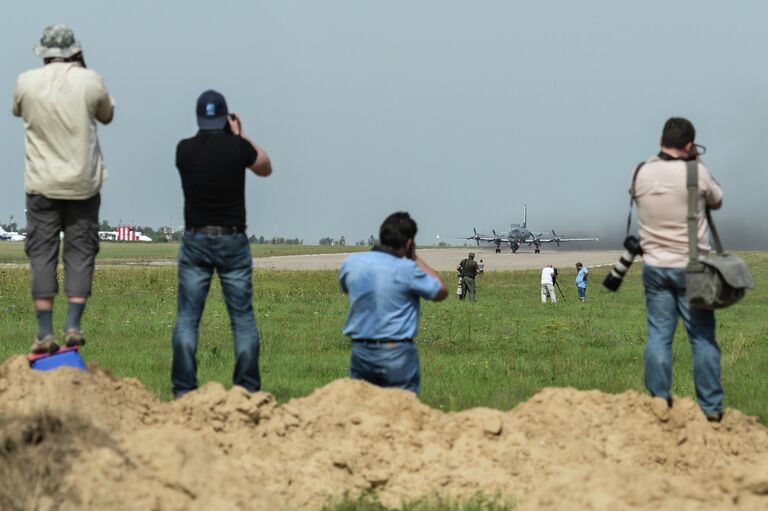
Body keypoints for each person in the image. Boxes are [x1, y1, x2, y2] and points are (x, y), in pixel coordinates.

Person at [12, 25, 115, 354]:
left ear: (43, 51)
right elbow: (108, 114)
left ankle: (44, 330)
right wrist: (83, 70)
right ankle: (72, 324)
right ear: (75, 50)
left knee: (41, 253)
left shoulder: (26, 82)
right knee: (80, 252)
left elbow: (17, 109)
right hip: (82, 184)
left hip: (42, 182)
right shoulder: (89, 80)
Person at [171, 90, 272, 398]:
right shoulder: (237, 147)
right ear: (226, 117)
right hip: (232, 237)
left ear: (199, 117)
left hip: (196, 237)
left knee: (188, 319)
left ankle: (184, 390)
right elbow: (265, 167)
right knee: (241, 318)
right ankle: (246, 389)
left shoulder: (184, 150)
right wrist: (241, 135)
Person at [633, 117, 724, 421]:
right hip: (692, 268)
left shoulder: (642, 172)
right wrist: (695, 161)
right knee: (701, 338)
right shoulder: (696, 172)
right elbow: (718, 200)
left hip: (654, 268)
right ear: (689, 145)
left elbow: (633, 192)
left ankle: (659, 401)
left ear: (661, 141)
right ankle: (711, 409)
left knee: (659, 336)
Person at [339, 212, 448, 394]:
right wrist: (413, 257)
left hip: (360, 351)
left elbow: (346, 288)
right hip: (396, 352)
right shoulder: (407, 269)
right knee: (402, 411)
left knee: (362, 408)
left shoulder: (351, 263)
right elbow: (440, 291)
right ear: (408, 243)